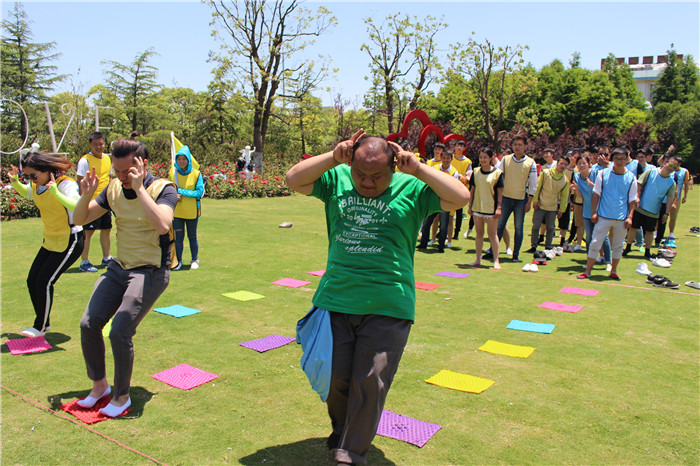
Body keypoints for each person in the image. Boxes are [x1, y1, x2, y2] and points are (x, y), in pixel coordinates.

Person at [285, 129, 469, 465]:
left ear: (394, 166)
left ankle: (350, 453)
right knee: (337, 380)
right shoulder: (336, 178)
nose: (367, 183)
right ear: (350, 162)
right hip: (336, 299)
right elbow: (293, 179)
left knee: (370, 380)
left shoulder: (412, 187)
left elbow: (460, 197)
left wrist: (420, 169)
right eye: (360, 174)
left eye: (377, 176)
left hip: (390, 302)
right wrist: (332, 157)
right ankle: (344, 430)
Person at [72, 138, 177, 418]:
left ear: (143, 165)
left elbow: (163, 224)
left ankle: (121, 396)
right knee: (88, 324)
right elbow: (79, 219)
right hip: (119, 269)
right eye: (117, 172)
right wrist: (87, 194)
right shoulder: (114, 187)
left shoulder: (163, 188)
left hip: (151, 271)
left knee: (119, 331)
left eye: (127, 171)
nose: (121, 177)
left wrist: (140, 188)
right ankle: (100, 386)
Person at [9, 152, 84, 337]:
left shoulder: (65, 184)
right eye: (27, 176)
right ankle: (44, 322)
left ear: (46, 169)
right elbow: (27, 192)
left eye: (33, 175)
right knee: (32, 279)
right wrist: (16, 182)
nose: (31, 180)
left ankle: (40, 327)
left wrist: (57, 194)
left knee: (44, 281)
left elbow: (77, 207)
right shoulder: (38, 184)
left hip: (71, 239)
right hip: (50, 239)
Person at [578, 148, 637, 280]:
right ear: (612, 159)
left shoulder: (631, 177)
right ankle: (588, 271)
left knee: (618, 245)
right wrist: (594, 212)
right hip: (603, 216)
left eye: (622, 158)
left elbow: (632, 199)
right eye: (617, 158)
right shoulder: (603, 174)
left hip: (621, 218)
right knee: (595, 243)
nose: (620, 161)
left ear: (627, 159)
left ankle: (613, 270)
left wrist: (630, 217)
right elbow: (596, 194)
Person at [623, 156, 678, 258]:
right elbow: (639, 184)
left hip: (654, 211)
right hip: (640, 207)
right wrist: (637, 197)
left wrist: (666, 213)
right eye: (670, 165)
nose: (671, 168)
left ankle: (647, 251)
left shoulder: (671, 182)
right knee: (633, 228)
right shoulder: (650, 172)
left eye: (674, 167)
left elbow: (670, 198)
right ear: (665, 163)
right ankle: (628, 247)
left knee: (650, 231)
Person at [495, 132, 537, 262]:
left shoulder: (530, 163)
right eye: (515, 144)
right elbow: (498, 175)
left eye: (520, 145)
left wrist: (529, 201)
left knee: (519, 227)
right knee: (499, 225)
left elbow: (533, 183)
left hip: (520, 199)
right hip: (506, 198)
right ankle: (493, 251)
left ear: (525, 146)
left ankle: (516, 254)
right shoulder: (506, 159)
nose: (517, 147)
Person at [76, 132, 113, 273]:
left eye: (101, 143)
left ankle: (106, 258)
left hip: (105, 202)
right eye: (96, 144)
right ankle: (84, 262)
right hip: (91, 202)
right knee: (88, 232)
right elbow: (80, 182)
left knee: (106, 229)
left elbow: (107, 178)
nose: (99, 147)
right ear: (90, 145)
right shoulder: (85, 160)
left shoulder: (108, 158)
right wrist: (83, 201)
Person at [571, 154, 611, 269]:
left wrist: (592, 185)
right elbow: (580, 196)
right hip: (587, 211)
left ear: (589, 164)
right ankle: (590, 261)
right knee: (589, 237)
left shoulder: (597, 173)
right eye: (579, 163)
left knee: (603, 237)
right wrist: (576, 189)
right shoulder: (577, 176)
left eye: (584, 163)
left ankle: (608, 262)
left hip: (600, 211)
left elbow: (604, 191)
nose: (581, 165)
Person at [417, 148, 461, 251]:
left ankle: (441, 246)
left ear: (451, 159)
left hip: (445, 200)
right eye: (444, 158)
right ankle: (423, 243)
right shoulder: (435, 168)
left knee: (444, 225)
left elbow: (452, 188)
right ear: (441, 158)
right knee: (427, 222)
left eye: (448, 158)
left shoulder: (454, 172)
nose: (446, 160)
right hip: (433, 199)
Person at [169, 145, 204, 270]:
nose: (181, 161)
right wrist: (174, 195)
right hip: (177, 212)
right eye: (179, 159)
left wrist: (182, 191)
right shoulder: (173, 174)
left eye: (184, 159)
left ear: (188, 160)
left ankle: (194, 259)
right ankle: (178, 261)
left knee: (192, 236)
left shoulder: (196, 174)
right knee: (178, 238)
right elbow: (169, 189)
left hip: (192, 211)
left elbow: (199, 192)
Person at [526, 155, 571, 252]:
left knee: (550, 228)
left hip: (552, 207)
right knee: (536, 226)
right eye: (561, 163)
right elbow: (538, 187)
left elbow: (564, 197)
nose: (563, 166)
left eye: (565, 165)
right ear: (557, 163)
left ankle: (548, 246)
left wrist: (562, 209)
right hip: (541, 204)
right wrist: (536, 200)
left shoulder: (565, 180)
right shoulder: (546, 173)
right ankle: (533, 245)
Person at [468, 148, 503, 269]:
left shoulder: (497, 173)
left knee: (492, 235)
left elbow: (499, 191)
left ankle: (496, 260)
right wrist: (470, 206)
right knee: (479, 234)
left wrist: (499, 207)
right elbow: (472, 190)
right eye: (481, 157)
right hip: (478, 208)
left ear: (491, 158)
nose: (483, 160)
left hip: (491, 209)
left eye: (485, 157)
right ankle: (478, 259)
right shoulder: (476, 171)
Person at [665, 157, 689, 248]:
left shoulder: (684, 171)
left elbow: (686, 184)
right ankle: (657, 232)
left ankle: (671, 233)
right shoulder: (669, 169)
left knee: (673, 216)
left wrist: (685, 196)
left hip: (677, 197)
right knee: (662, 215)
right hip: (666, 196)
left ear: (679, 164)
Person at [451, 140, 472, 239]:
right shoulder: (450, 158)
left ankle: (456, 232)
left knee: (459, 212)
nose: (459, 147)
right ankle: (443, 231)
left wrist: (462, 177)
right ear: (454, 147)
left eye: (461, 146)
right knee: (446, 210)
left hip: (460, 189)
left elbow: (468, 176)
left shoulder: (467, 162)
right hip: (449, 187)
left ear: (464, 148)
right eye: (457, 145)